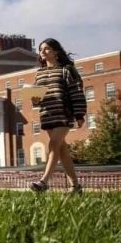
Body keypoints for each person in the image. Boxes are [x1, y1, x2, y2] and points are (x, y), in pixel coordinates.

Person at [29, 38, 87, 194]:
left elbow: (76, 92)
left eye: (47, 48)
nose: (43, 51)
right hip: (47, 115)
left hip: (63, 114)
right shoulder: (39, 74)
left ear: (55, 51)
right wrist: (34, 99)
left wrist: (79, 114)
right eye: (41, 49)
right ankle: (75, 186)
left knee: (53, 145)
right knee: (62, 151)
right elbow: (36, 100)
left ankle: (44, 181)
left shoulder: (66, 70)